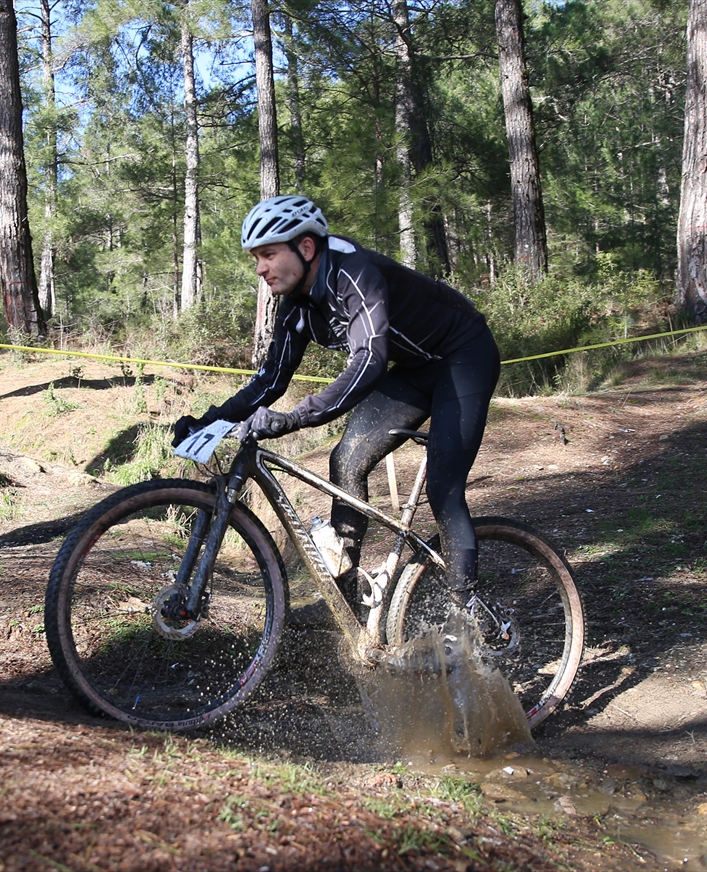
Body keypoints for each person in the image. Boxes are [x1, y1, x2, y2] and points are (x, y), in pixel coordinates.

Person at [172, 195, 501, 602]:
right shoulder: (295, 306)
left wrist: (297, 417)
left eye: (269, 254)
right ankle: (346, 604)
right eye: (256, 257)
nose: (260, 268)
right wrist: (209, 420)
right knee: (346, 460)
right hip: (417, 369)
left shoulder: (353, 271)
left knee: (443, 488)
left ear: (305, 248)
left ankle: (465, 610)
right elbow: (269, 381)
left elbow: (370, 360)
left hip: (463, 355)